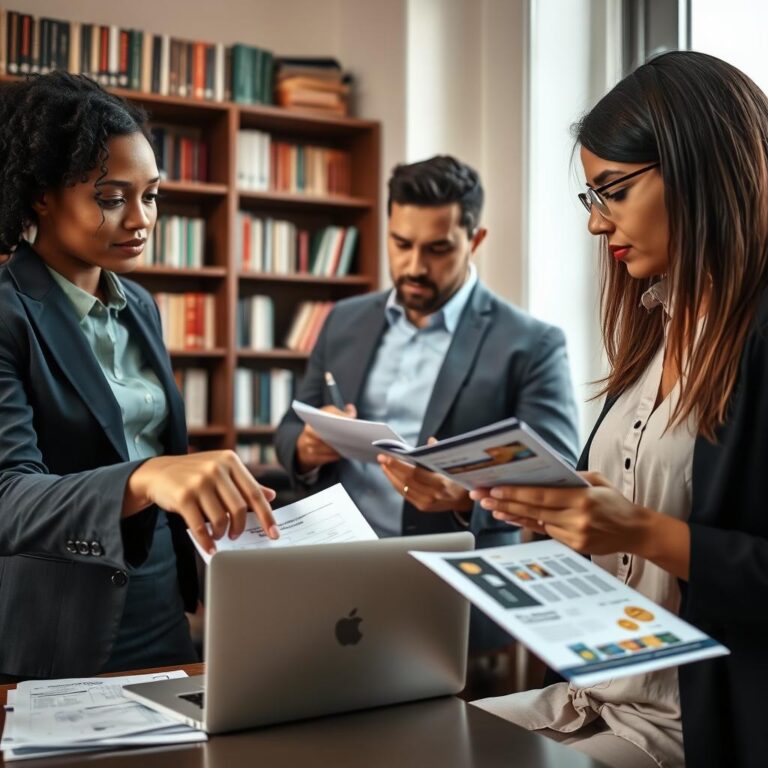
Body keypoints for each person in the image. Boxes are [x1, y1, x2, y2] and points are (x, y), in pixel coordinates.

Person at [471, 51, 768, 768]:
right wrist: (524, 505)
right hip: (587, 696)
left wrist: (640, 529)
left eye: (614, 192)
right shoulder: (656, 332)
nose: (597, 226)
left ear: (697, 169)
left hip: (688, 727)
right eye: (591, 198)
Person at [0, 72, 277, 682]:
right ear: (41, 196)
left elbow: (142, 439)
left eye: (150, 195)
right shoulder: (7, 310)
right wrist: (147, 476)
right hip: (57, 612)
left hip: (159, 594)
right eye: (110, 196)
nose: (141, 219)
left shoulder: (142, 305)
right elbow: (8, 497)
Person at [275, 154, 580, 650]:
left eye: (438, 249)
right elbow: (289, 429)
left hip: (458, 588)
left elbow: (558, 474)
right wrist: (308, 447)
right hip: (335, 572)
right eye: (401, 244)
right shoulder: (344, 320)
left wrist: (464, 497)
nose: (415, 266)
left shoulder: (531, 343)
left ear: (475, 240)